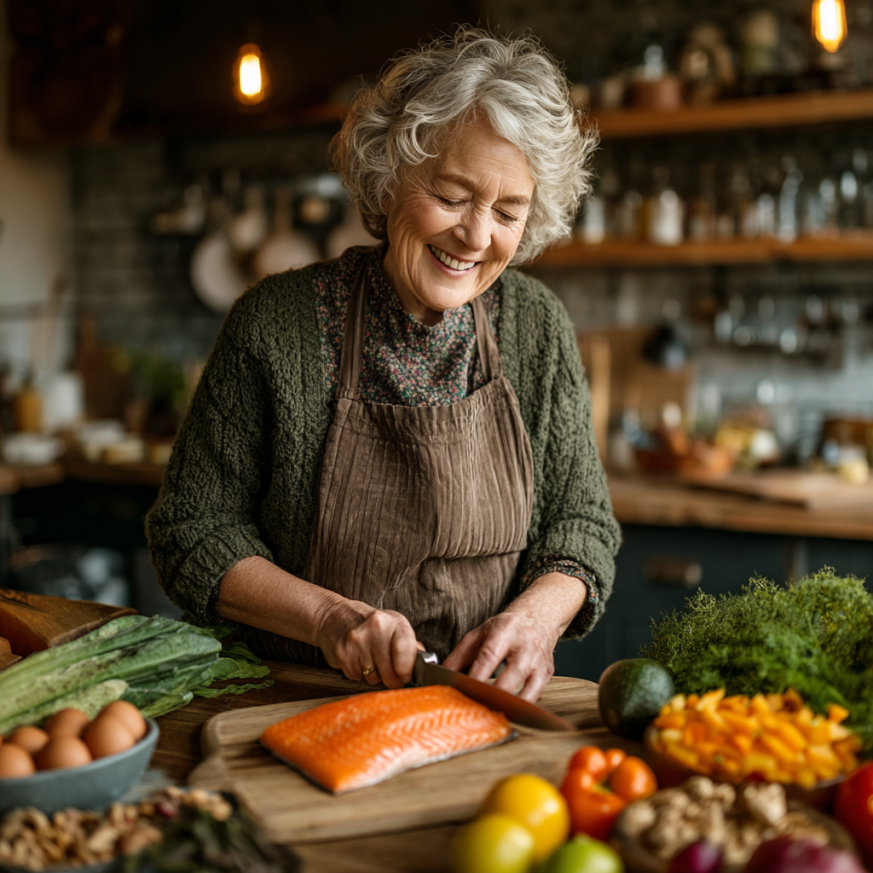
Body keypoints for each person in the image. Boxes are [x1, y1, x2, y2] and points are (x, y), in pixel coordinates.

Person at [146, 27, 620, 703]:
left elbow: (582, 524)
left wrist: (534, 619)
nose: (476, 235)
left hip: (478, 702)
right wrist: (331, 620)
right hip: (290, 699)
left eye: (508, 211)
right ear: (391, 176)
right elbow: (192, 529)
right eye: (453, 197)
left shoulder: (536, 326)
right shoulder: (273, 325)